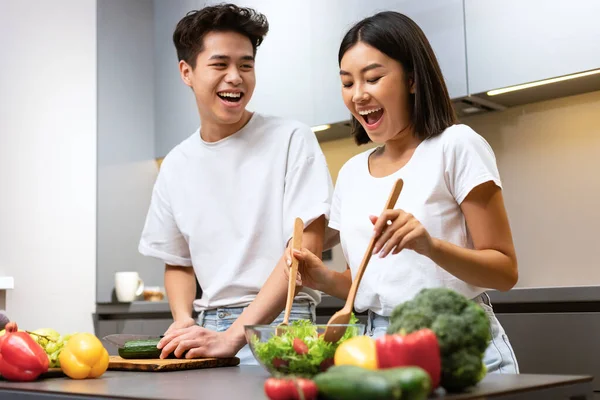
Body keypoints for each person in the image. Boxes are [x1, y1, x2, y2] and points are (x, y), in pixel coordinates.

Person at [286, 11, 520, 374]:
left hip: (454, 344)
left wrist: (430, 245)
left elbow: (504, 271)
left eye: (373, 78)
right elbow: (369, 282)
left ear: (412, 79)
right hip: (371, 350)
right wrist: (323, 278)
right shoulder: (351, 173)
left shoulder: (456, 145)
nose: (358, 95)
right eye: (347, 83)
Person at [139, 4, 333, 365]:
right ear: (187, 72)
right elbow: (178, 262)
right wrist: (183, 321)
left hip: (283, 325)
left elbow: (305, 251)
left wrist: (234, 336)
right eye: (219, 64)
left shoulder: (291, 139)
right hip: (207, 326)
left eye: (246, 65)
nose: (235, 77)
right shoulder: (176, 164)